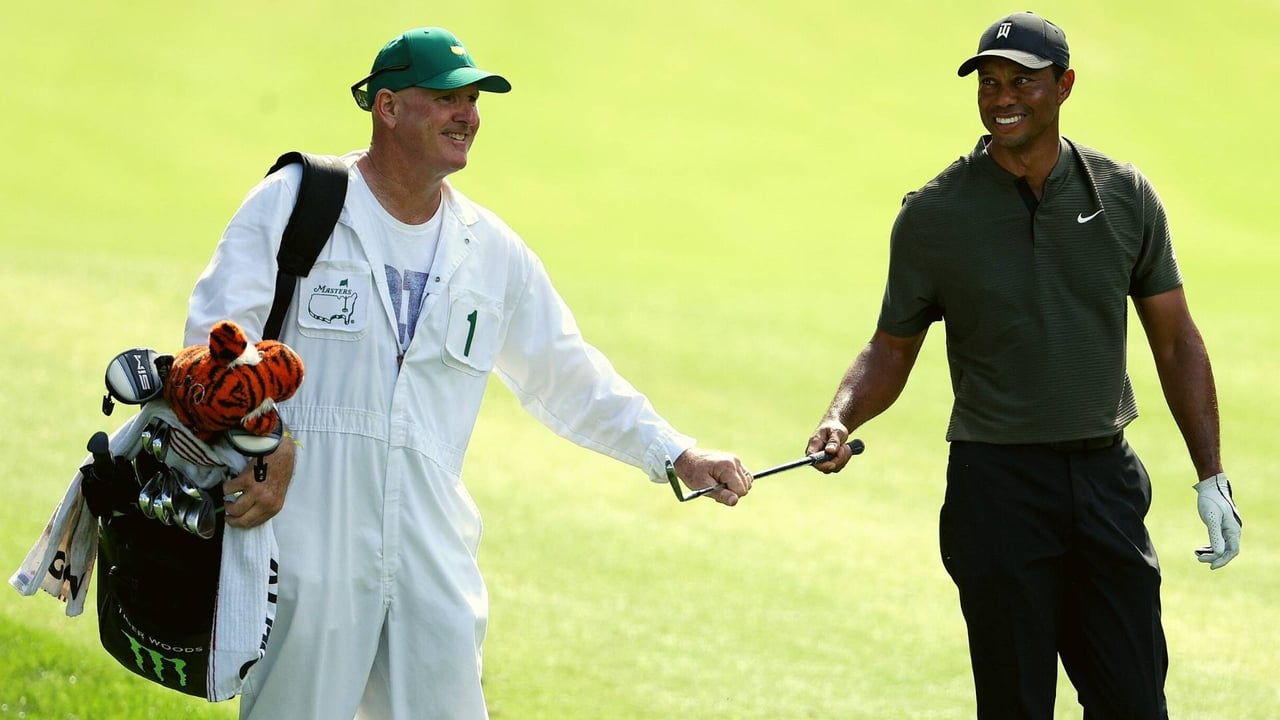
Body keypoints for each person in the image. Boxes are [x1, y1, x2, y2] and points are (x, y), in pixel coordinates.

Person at [184, 26, 753, 720]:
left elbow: (568, 371)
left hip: (432, 556)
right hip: (305, 541)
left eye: (475, 100)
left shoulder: (492, 251)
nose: (468, 115)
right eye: (447, 98)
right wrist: (261, 439)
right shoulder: (298, 200)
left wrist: (677, 453)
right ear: (388, 106)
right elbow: (216, 340)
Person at [805, 11, 1241, 719]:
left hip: (1104, 481)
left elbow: (1176, 341)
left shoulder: (1124, 195)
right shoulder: (935, 215)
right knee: (1015, 707)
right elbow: (891, 347)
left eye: (1022, 82)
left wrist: (1211, 474)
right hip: (997, 488)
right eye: (989, 83)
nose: (1002, 97)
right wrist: (839, 417)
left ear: (1064, 86)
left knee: (1135, 702)